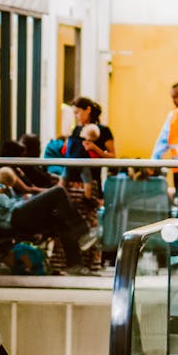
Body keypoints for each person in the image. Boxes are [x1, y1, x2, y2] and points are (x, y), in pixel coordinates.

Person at [0, 170, 96, 273]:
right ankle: (82, 234)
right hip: (13, 216)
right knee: (58, 192)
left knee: (59, 216)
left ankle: (75, 264)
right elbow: (2, 204)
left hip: (15, 212)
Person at [55, 96, 115, 273]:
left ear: (88, 110)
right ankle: (66, 263)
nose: (76, 116)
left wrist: (94, 148)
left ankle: (89, 264)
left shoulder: (103, 130)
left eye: (78, 112)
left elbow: (113, 156)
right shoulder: (76, 131)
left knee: (89, 224)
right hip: (71, 181)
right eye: (74, 113)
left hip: (90, 183)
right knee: (67, 222)